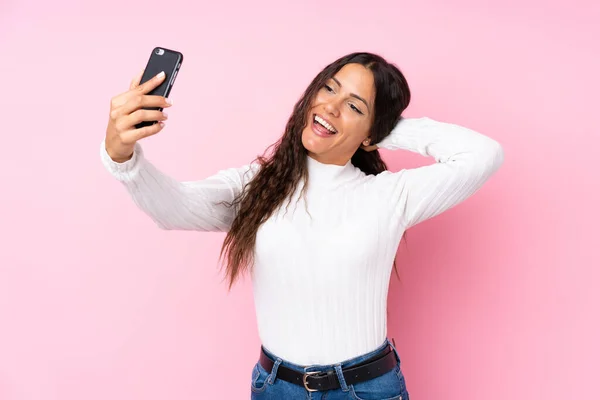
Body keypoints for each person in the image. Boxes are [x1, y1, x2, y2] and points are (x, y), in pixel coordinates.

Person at [101, 52, 504, 399]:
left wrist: (386, 128)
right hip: (278, 388)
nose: (330, 106)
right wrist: (123, 157)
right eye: (328, 89)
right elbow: (174, 207)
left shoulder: (389, 196)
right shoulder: (254, 188)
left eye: (355, 106)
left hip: (366, 390)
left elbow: (483, 154)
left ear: (371, 134)